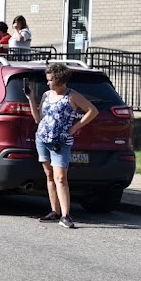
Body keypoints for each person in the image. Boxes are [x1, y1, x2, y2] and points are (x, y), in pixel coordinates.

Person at [27, 63, 98, 229]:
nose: (48, 83)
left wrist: (74, 127)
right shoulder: (46, 95)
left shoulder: (71, 95)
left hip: (61, 141)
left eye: (50, 80)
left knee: (61, 177)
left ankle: (66, 215)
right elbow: (38, 118)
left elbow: (92, 111)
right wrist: (31, 98)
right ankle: (54, 211)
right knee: (49, 175)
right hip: (42, 138)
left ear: (59, 80)